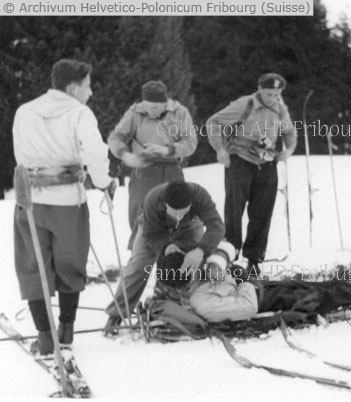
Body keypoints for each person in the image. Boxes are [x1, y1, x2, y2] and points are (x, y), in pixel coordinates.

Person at [12, 59, 114, 354]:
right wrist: (103, 181)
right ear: (72, 88)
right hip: (68, 202)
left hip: (30, 201)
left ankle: (45, 337)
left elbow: (20, 154)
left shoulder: (24, 111)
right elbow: (94, 150)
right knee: (70, 265)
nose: (90, 92)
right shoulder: (79, 113)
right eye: (87, 86)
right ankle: (66, 331)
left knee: (33, 267)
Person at [153, 241, 351, 322]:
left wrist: (230, 272)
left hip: (261, 287)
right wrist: (242, 281)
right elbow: (247, 307)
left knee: (318, 285)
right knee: (325, 297)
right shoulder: (201, 301)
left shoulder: (199, 280)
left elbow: (227, 250)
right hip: (265, 299)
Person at [206, 73, 297, 276]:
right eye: (268, 94)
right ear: (259, 89)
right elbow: (214, 122)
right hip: (240, 159)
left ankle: (254, 260)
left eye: (276, 94)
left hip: (267, 161)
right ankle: (230, 254)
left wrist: (289, 149)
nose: (272, 98)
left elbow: (289, 131)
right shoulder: (244, 104)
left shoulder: (280, 109)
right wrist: (220, 149)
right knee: (234, 209)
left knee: (262, 212)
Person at [104, 180, 225, 331]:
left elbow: (217, 226)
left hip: (189, 225)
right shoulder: (153, 199)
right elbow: (151, 235)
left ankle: (185, 305)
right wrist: (165, 247)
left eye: (183, 211)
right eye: (175, 212)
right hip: (153, 228)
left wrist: (200, 251)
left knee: (194, 263)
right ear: (165, 204)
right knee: (139, 265)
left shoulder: (200, 196)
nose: (179, 216)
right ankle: (116, 313)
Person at [108, 81, 198, 248]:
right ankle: (137, 258)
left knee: (178, 215)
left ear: (165, 103)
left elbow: (190, 142)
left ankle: (174, 256)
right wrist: (125, 154)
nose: (150, 110)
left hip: (172, 168)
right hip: (144, 169)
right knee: (141, 216)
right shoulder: (135, 112)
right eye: (147, 106)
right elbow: (116, 137)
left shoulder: (180, 112)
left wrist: (168, 150)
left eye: (155, 107)